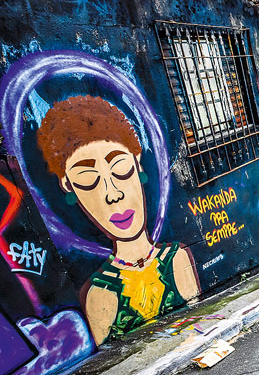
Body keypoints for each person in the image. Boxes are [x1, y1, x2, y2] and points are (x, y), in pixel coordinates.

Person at [37, 95, 199, 344]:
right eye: (88, 180)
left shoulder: (176, 260)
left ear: (138, 165)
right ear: (69, 187)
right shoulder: (99, 294)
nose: (113, 194)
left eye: (121, 170)